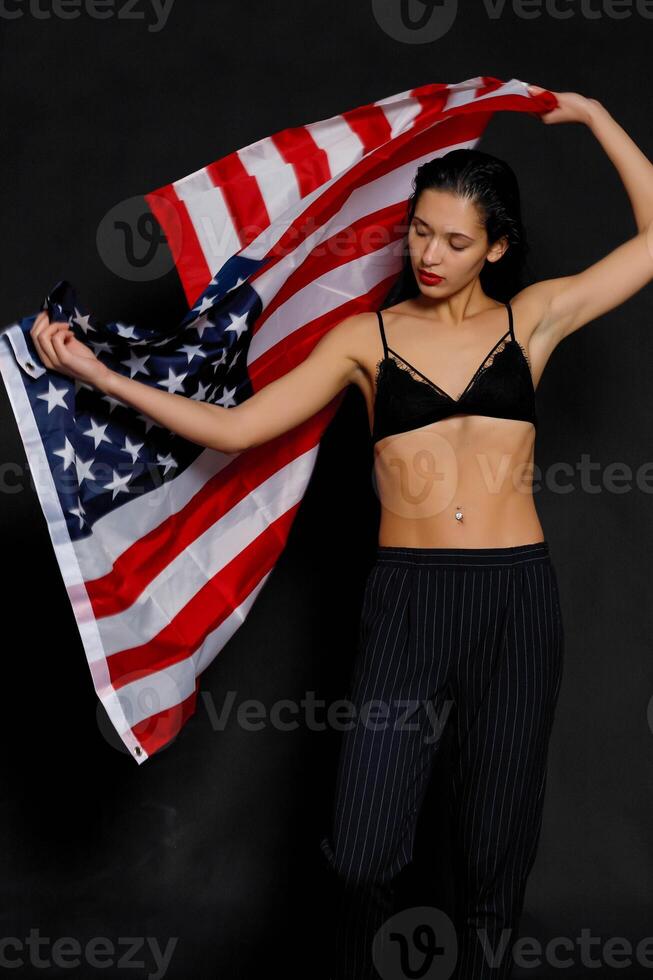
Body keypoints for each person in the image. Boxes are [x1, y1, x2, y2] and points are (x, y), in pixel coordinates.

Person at [29, 87, 653, 979]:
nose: (429, 255)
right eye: (420, 232)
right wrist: (99, 376)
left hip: (516, 597)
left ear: (498, 248)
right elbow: (240, 429)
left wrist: (596, 118)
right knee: (363, 847)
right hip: (407, 599)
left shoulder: (534, 319)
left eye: (455, 240)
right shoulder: (365, 338)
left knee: (495, 837)